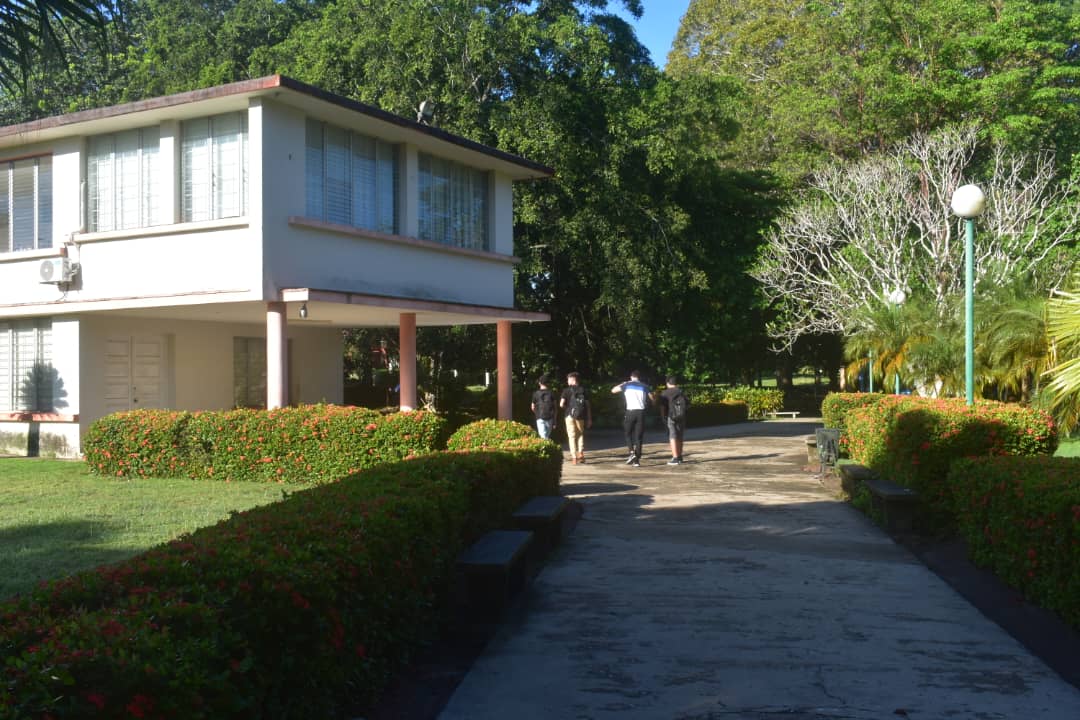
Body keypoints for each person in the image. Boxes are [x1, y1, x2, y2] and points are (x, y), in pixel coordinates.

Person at [611, 370, 650, 466]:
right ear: (639, 377)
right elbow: (652, 397)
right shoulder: (644, 386)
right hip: (641, 412)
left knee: (628, 433)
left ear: (631, 377)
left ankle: (632, 452)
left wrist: (622, 383)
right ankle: (637, 461)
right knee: (639, 436)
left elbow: (613, 390)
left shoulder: (626, 385)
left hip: (630, 412)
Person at [560, 371, 592, 464]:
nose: (567, 381)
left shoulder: (566, 390)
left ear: (572, 380)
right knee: (580, 434)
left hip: (569, 416)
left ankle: (574, 457)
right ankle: (581, 453)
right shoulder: (583, 390)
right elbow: (587, 405)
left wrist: (568, 409)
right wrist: (589, 418)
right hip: (580, 415)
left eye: (568, 379)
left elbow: (561, 404)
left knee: (571, 436)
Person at [659, 376, 689, 465]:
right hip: (681, 416)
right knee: (680, 436)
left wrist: (663, 417)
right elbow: (688, 404)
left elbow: (662, 406)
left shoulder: (665, 393)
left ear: (667, 383)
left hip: (671, 416)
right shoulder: (681, 391)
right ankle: (679, 456)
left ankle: (675, 457)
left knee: (672, 436)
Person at [530, 374, 557, 440]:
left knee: (543, 436)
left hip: (539, 417)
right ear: (548, 383)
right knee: (547, 435)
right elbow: (555, 407)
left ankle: (546, 445)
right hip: (550, 417)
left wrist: (537, 413)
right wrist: (555, 419)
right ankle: (547, 445)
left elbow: (532, 407)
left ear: (539, 383)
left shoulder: (536, 393)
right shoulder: (552, 393)